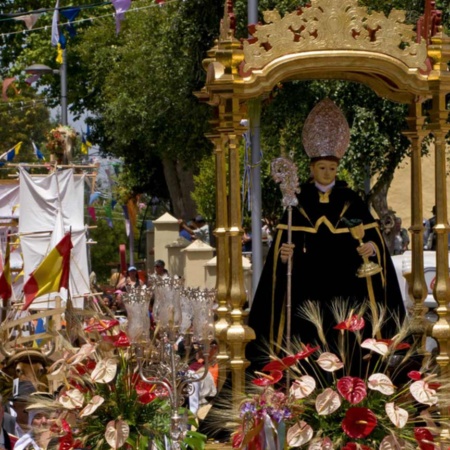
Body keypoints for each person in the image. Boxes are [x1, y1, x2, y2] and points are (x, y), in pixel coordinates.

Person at [246, 98, 406, 374]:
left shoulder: (351, 200)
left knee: (348, 343)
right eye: (322, 168)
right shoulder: (297, 203)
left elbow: (374, 239)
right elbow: (280, 250)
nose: (327, 173)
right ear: (311, 168)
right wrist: (283, 256)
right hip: (306, 292)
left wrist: (370, 247)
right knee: (306, 344)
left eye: (332, 168)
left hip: (347, 290)